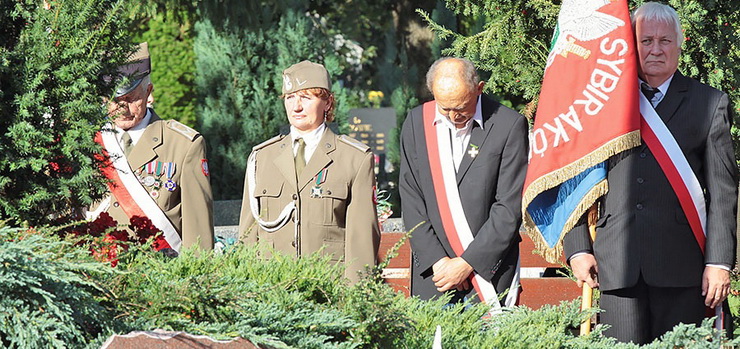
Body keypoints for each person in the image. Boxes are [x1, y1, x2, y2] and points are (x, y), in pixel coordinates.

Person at [564, 2, 737, 344]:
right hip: (615, 266)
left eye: (664, 41)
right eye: (645, 41)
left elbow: (723, 191)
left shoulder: (709, 103)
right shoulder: (601, 100)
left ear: (680, 42)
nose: (655, 50)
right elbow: (576, 175)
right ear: (631, 44)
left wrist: (719, 262)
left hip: (682, 266)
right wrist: (578, 248)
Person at [399, 57, 528, 306]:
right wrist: (439, 261)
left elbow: (509, 207)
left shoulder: (508, 125)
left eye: (461, 107)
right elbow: (411, 196)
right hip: (435, 274)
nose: (452, 116)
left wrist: (467, 263)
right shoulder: (417, 123)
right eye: (444, 108)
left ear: (479, 88)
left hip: (488, 274)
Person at [238, 60, 380, 284]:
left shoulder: (354, 158)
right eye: (290, 97)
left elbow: (362, 240)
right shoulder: (261, 157)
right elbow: (247, 236)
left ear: (328, 102)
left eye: (306, 97)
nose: (296, 106)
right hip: (270, 292)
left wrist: (355, 301)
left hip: (328, 291)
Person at [88, 42, 214, 252]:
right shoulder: (88, 142)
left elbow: (198, 232)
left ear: (149, 92)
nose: (121, 107)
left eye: (130, 98)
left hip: (158, 273)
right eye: (114, 99)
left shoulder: (183, 145)